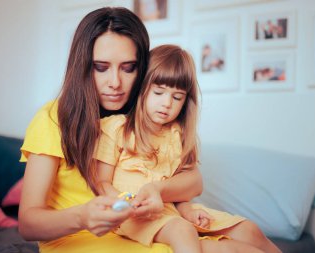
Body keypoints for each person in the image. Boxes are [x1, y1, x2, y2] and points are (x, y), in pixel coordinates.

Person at [19, 7, 202, 253]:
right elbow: (28, 225)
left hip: (143, 233)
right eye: (100, 67)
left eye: (128, 68)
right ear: (82, 66)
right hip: (79, 243)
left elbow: (193, 181)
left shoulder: (143, 117)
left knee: (240, 244)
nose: (115, 83)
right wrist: (82, 217)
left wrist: (162, 193)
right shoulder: (53, 118)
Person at [94, 45, 282, 253]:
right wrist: (125, 205)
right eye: (158, 92)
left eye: (177, 97)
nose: (166, 103)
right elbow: (102, 182)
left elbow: (178, 193)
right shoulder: (117, 128)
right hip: (134, 214)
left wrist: (189, 210)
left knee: (250, 230)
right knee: (183, 230)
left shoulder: (177, 135)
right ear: (142, 89)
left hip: (172, 211)